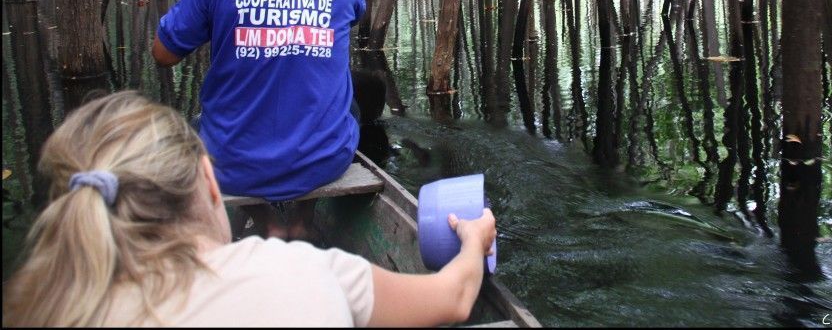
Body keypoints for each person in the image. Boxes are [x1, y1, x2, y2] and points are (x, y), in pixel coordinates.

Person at [2, 91, 497, 327]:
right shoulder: (302, 272)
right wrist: (473, 242)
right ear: (210, 184)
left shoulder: (38, 309)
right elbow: (452, 299)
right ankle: (295, 223)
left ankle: (290, 222)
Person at [151, 0, 364, 240]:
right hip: (323, 163)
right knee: (352, 103)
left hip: (233, 167)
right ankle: (302, 219)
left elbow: (164, 55)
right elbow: (352, 17)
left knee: (202, 123)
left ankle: (266, 223)